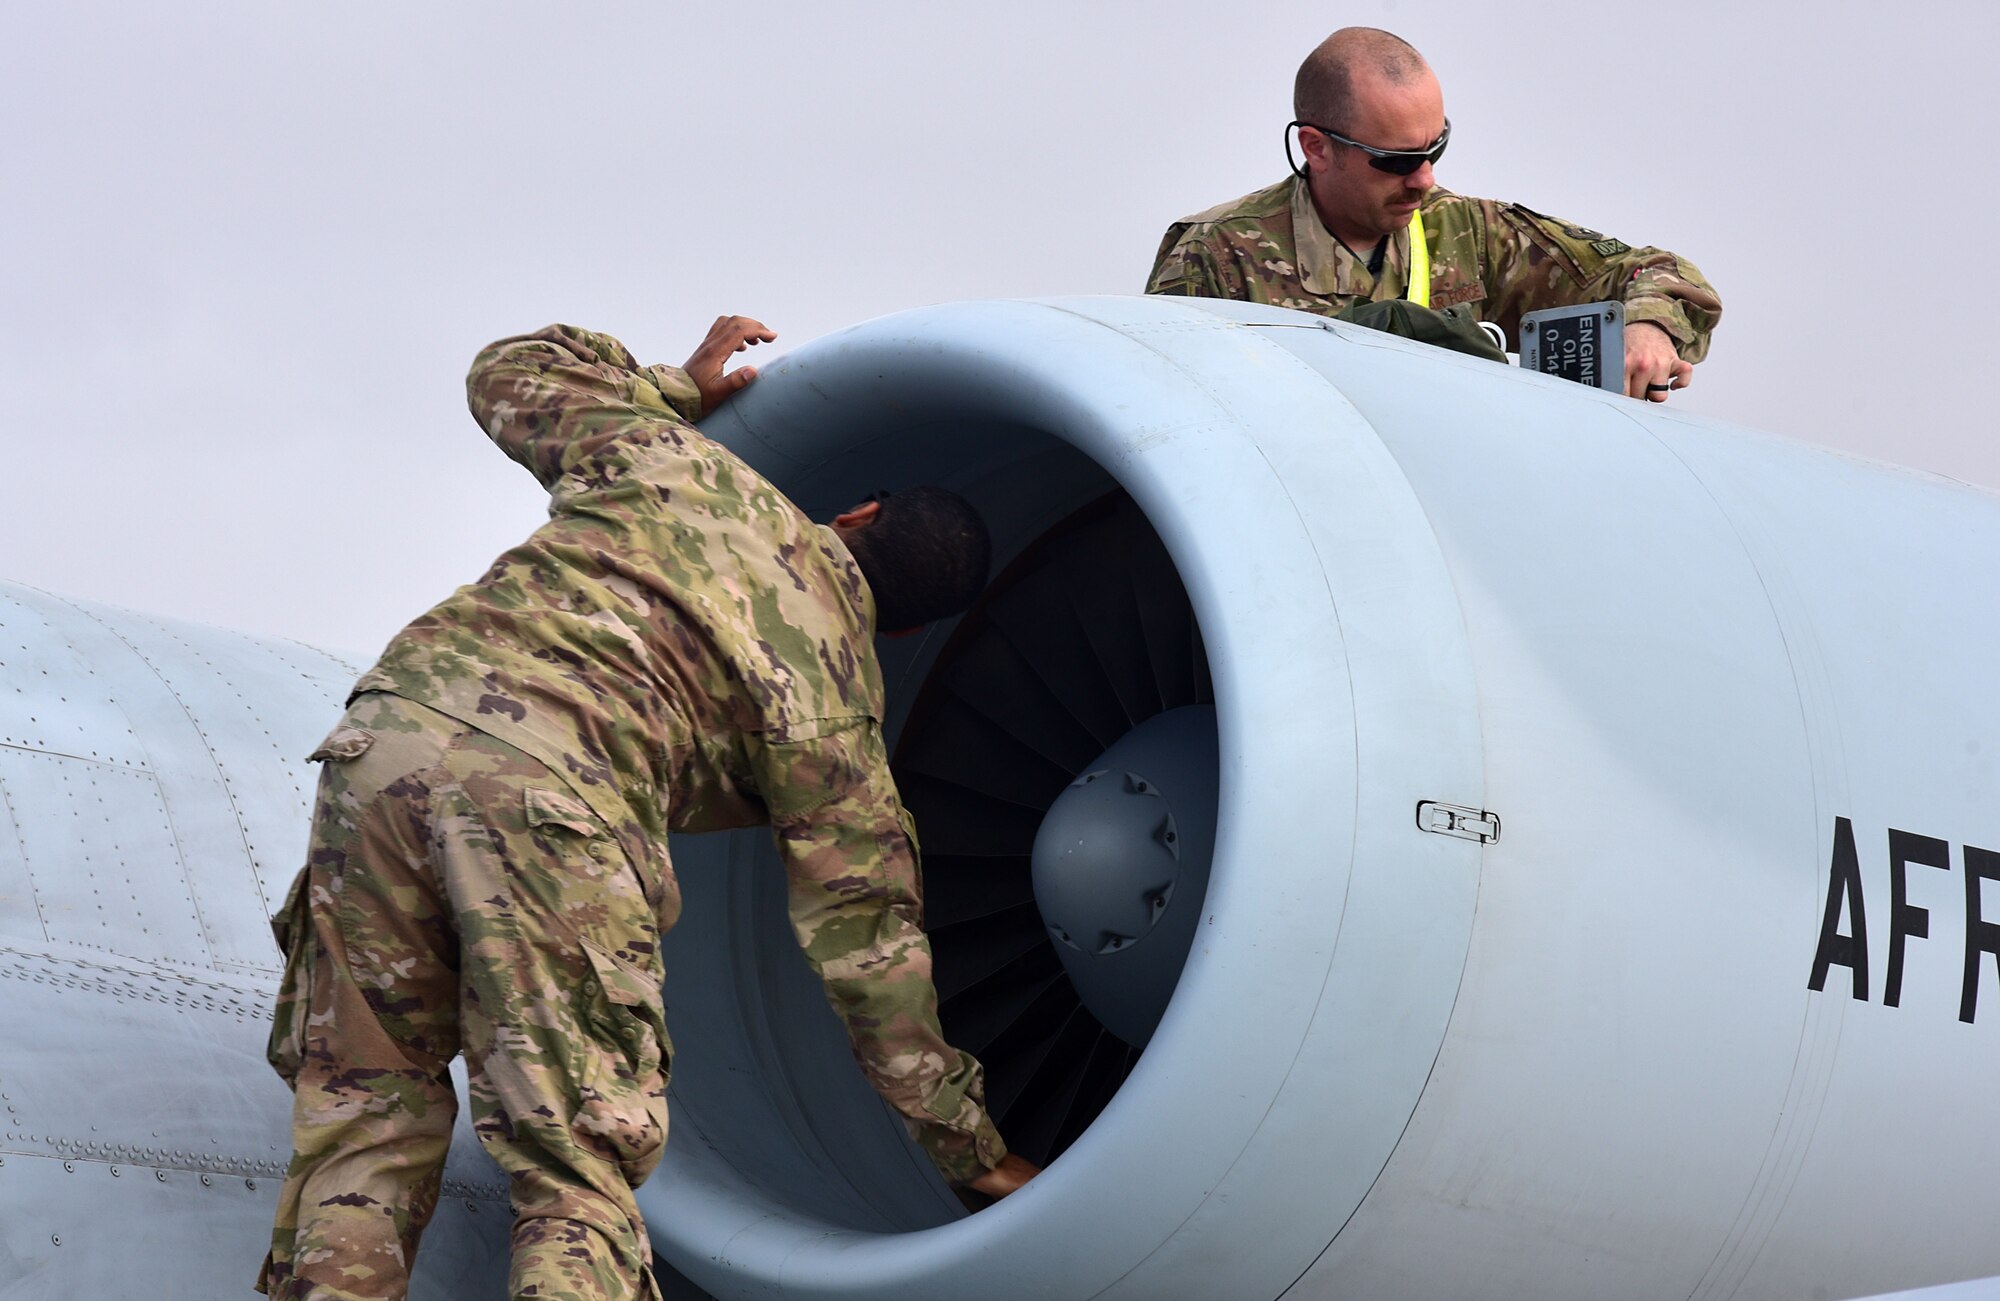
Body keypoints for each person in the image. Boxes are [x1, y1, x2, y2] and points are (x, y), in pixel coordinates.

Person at [257, 315, 1038, 1301]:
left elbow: (509, 369)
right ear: (908, 622)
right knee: (574, 1171)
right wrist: (969, 1148)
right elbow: (872, 953)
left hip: (383, 741)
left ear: (856, 513)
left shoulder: (677, 461)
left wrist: (676, 387)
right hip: (555, 804)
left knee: (366, 1106)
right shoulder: (836, 712)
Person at [1146, 27, 1722, 402]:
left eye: (1434, 149)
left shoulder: (1468, 234)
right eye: (1396, 160)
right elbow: (1165, 413)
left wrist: (1647, 327)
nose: (1424, 179)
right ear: (1316, 148)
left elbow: (1657, 271)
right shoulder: (1216, 257)